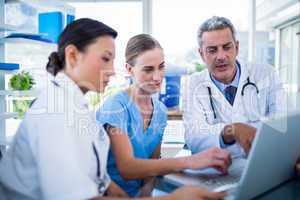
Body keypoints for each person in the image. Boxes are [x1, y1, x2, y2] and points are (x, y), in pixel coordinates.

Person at [0, 18, 225, 200]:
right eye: (105, 59)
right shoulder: (55, 112)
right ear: (72, 55)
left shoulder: (77, 105)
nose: (111, 71)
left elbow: (100, 179)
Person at [97, 33, 231, 197]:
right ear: (129, 69)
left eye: (161, 67)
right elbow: (127, 168)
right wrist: (190, 162)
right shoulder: (115, 108)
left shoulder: (160, 111)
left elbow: (152, 164)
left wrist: (146, 193)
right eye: (148, 70)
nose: (157, 77)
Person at [183, 16, 286, 156]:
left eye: (226, 47)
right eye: (212, 50)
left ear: (236, 48)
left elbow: (284, 125)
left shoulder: (266, 74)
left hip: (263, 160)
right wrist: (231, 131)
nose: (221, 56)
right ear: (201, 54)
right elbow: (193, 139)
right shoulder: (193, 85)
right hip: (217, 170)